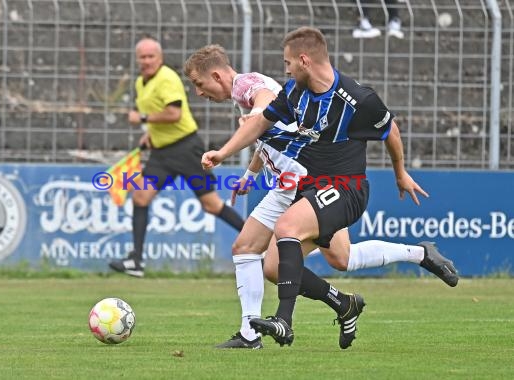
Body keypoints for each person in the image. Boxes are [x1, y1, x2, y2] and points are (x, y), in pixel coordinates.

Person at [187, 44, 458, 349]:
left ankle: (262, 331)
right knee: (331, 258)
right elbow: (266, 136)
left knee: (261, 251)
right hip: (295, 181)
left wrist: (256, 117)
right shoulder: (253, 93)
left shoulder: (246, 85)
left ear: (216, 74)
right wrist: (249, 174)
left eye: (199, 84)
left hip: (302, 181)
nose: (199, 92)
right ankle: (352, 297)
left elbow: (263, 106)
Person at [108, 37, 245, 278]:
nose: (147, 60)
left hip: (185, 148)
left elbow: (174, 113)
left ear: (160, 58)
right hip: (161, 153)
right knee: (140, 197)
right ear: (137, 59)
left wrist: (141, 120)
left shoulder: (167, 78)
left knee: (211, 204)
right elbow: (158, 115)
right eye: (143, 56)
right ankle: (136, 262)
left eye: (152, 56)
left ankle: (256, 241)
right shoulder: (141, 83)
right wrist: (150, 134)